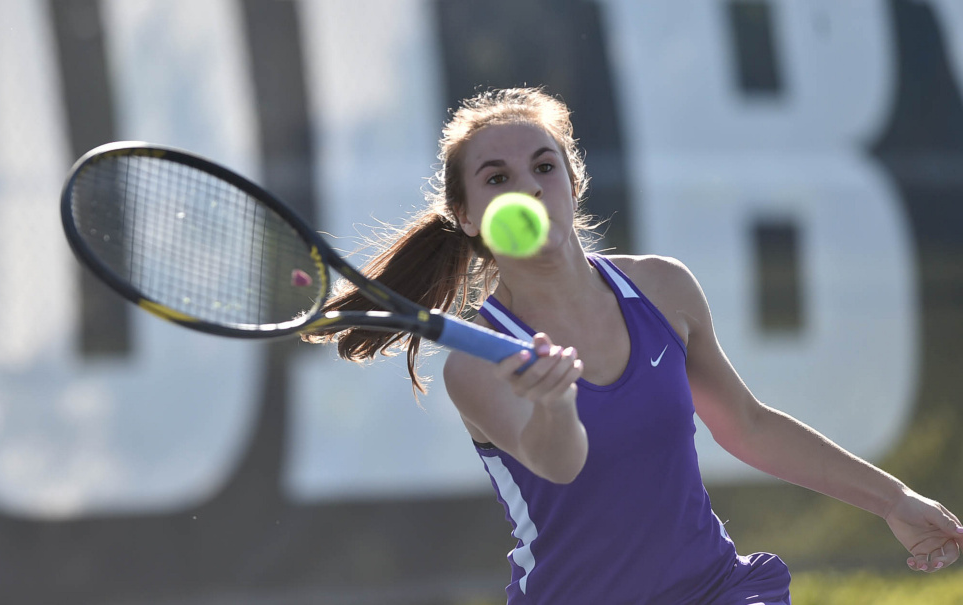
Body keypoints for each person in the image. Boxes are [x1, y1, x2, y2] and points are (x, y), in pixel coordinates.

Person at [308, 87, 962, 604]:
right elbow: (557, 463)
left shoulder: (664, 287)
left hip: (713, 587)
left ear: (572, 181)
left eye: (544, 165)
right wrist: (556, 402)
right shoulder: (478, 364)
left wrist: (895, 499)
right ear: (469, 215)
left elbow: (747, 424)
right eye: (496, 177)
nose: (528, 187)